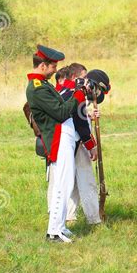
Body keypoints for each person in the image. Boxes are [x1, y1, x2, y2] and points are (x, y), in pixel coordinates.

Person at [26, 44, 92, 243]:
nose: (56, 69)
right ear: (44, 65)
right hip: (57, 137)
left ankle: (60, 226)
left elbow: (62, 106)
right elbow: (62, 112)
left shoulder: (43, 85)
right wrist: (79, 94)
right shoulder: (37, 88)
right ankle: (54, 231)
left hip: (63, 136)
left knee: (66, 182)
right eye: (53, 66)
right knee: (62, 185)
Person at [47, 63, 102, 226]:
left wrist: (88, 114)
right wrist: (91, 145)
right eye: (83, 77)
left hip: (59, 142)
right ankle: (94, 218)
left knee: (65, 181)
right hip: (75, 144)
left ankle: (66, 216)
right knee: (86, 181)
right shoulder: (74, 93)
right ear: (74, 78)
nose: (86, 81)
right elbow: (80, 123)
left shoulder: (61, 92)